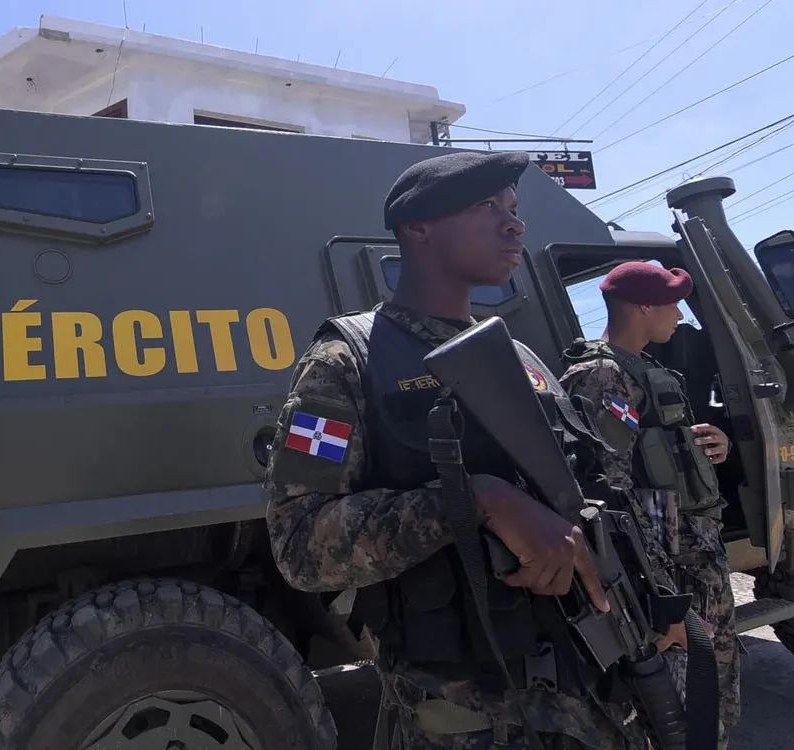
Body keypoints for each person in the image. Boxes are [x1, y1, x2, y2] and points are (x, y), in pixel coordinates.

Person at [263, 150, 670, 750]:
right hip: (471, 716)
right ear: (416, 228)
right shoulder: (346, 362)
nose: (515, 224)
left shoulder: (524, 361)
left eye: (513, 208)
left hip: (590, 692)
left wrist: (657, 604)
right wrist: (476, 499)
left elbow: (591, 494)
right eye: (487, 206)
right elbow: (300, 545)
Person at [559, 261, 739, 750]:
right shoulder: (600, 376)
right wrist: (658, 598)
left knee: (712, 697)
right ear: (643, 306)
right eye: (672, 303)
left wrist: (715, 443)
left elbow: (663, 462)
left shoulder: (648, 370)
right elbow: (609, 496)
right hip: (669, 572)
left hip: (696, 557)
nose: (680, 315)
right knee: (679, 712)